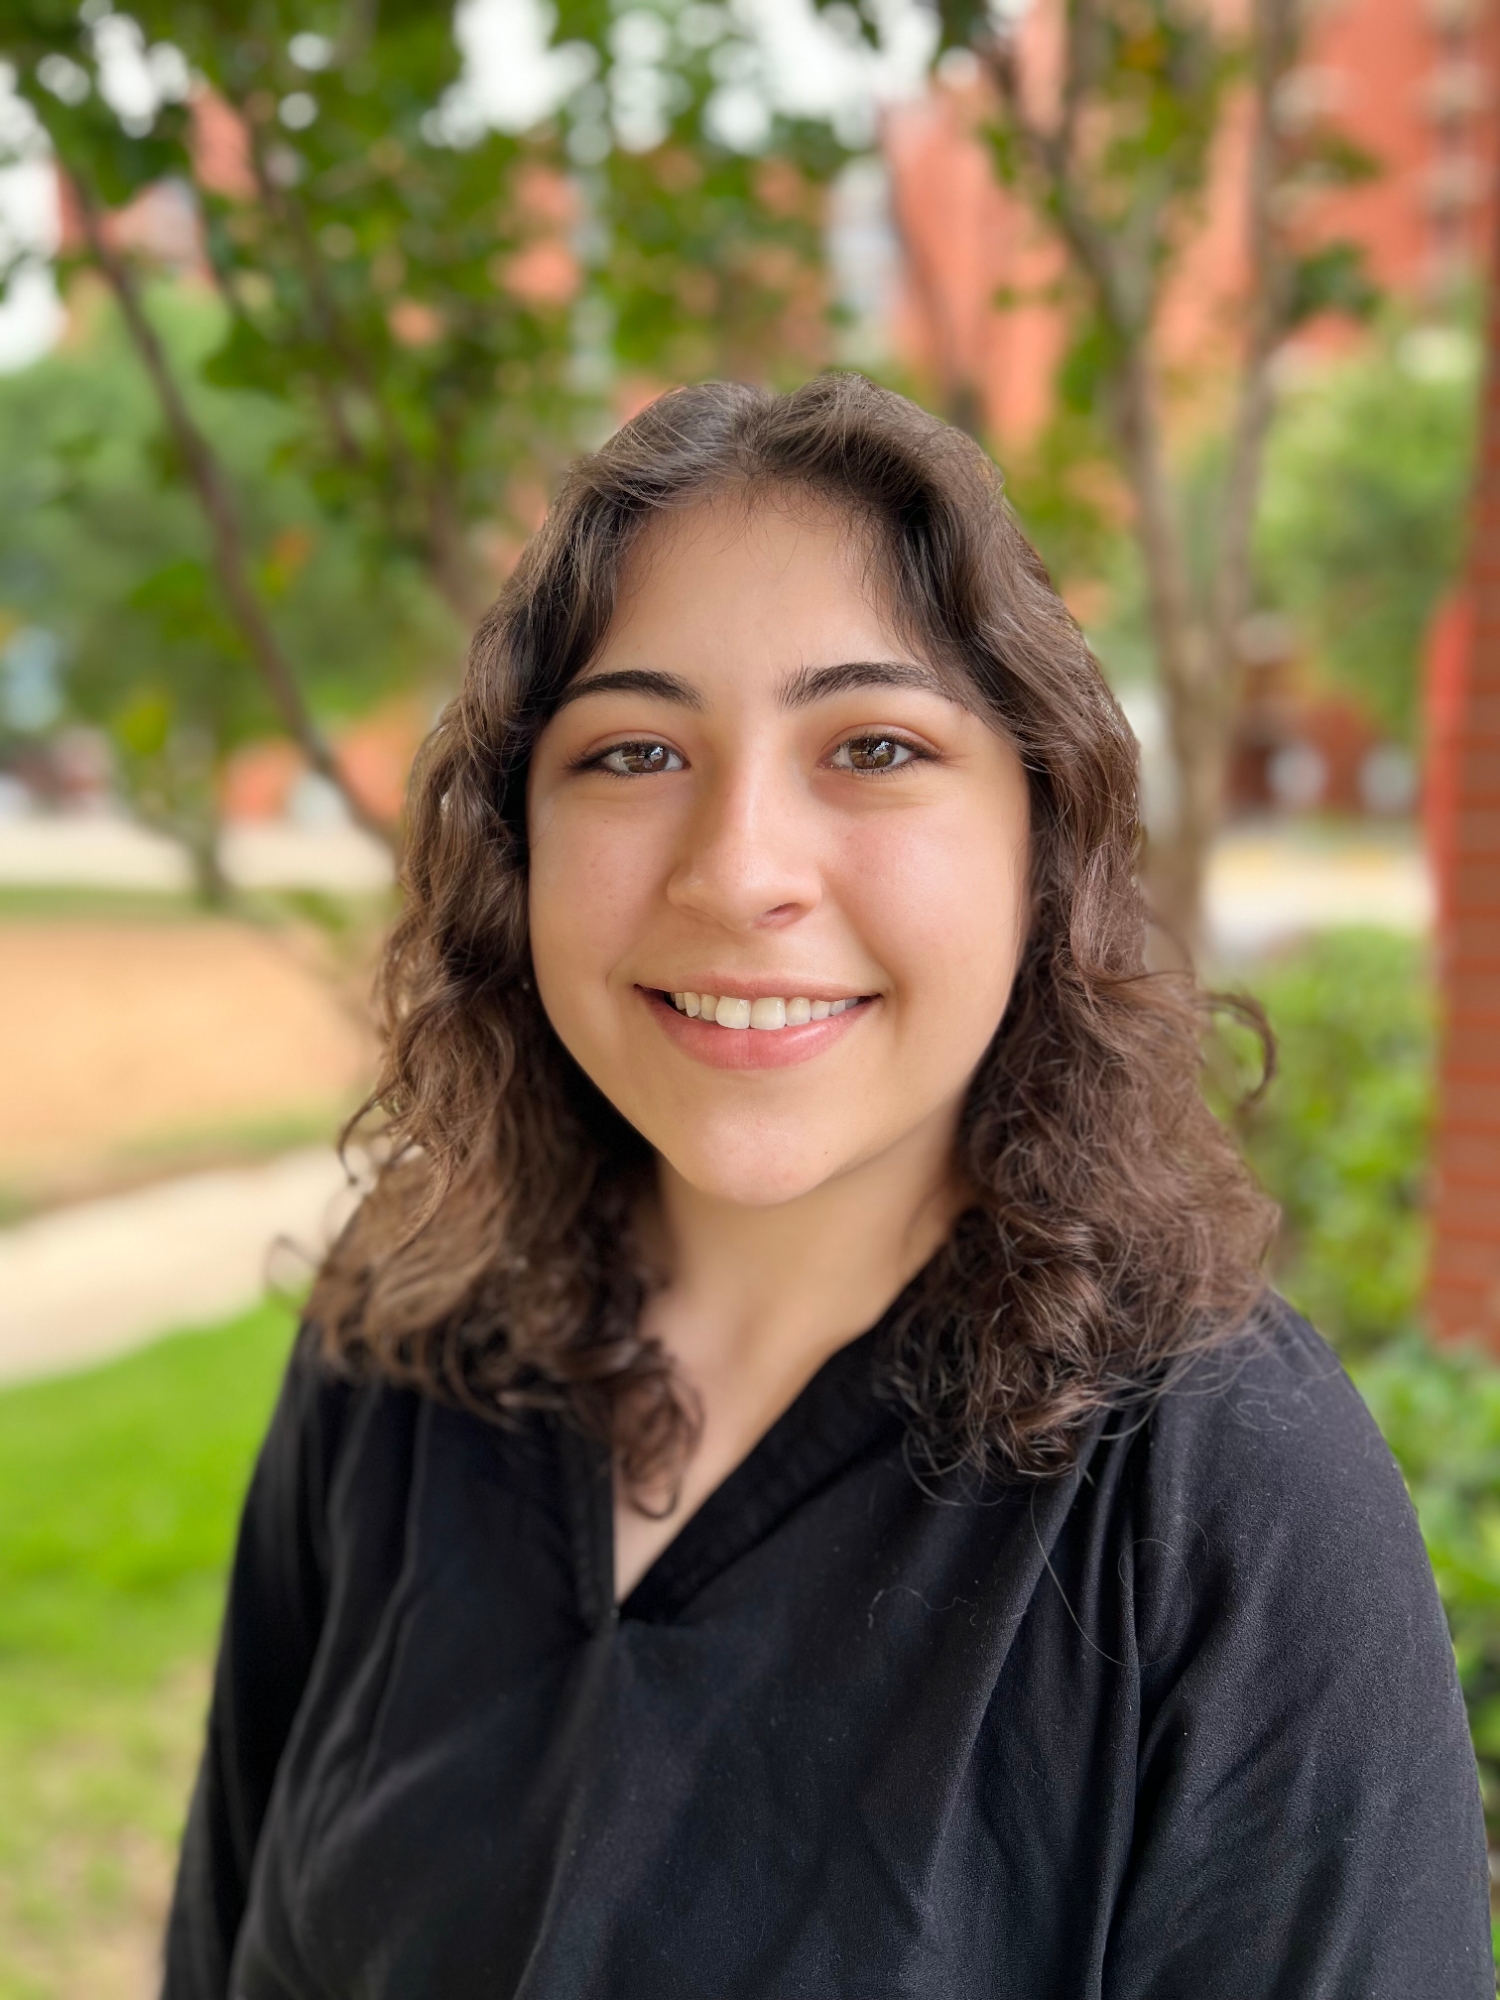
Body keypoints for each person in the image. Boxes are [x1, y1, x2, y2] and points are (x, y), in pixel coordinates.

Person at [162, 376, 1491, 1999]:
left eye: (872, 746)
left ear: (1040, 841)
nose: (738, 870)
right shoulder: (402, 1343)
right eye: (636, 750)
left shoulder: (1229, 1507)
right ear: (519, 851)